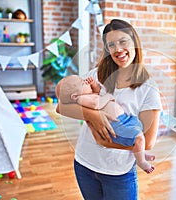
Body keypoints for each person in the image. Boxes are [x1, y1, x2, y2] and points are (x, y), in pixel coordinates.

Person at [56, 19, 162, 200]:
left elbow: (148, 141)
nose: (118, 49)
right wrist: (92, 115)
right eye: (111, 45)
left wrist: (105, 142)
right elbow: (61, 106)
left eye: (123, 41)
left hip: (118, 173)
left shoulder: (148, 88)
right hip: (84, 164)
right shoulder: (95, 75)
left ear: (134, 42)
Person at [56, 74, 155, 174]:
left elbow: (97, 93)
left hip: (124, 119)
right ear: (74, 96)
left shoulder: (87, 95)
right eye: (83, 83)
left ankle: (139, 152)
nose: (86, 82)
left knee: (138, 129)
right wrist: (108, 96)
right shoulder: (81, 99)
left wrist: (94, 85)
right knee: (138, 137)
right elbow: (96, 104)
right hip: (116, 125)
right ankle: (141, 161)